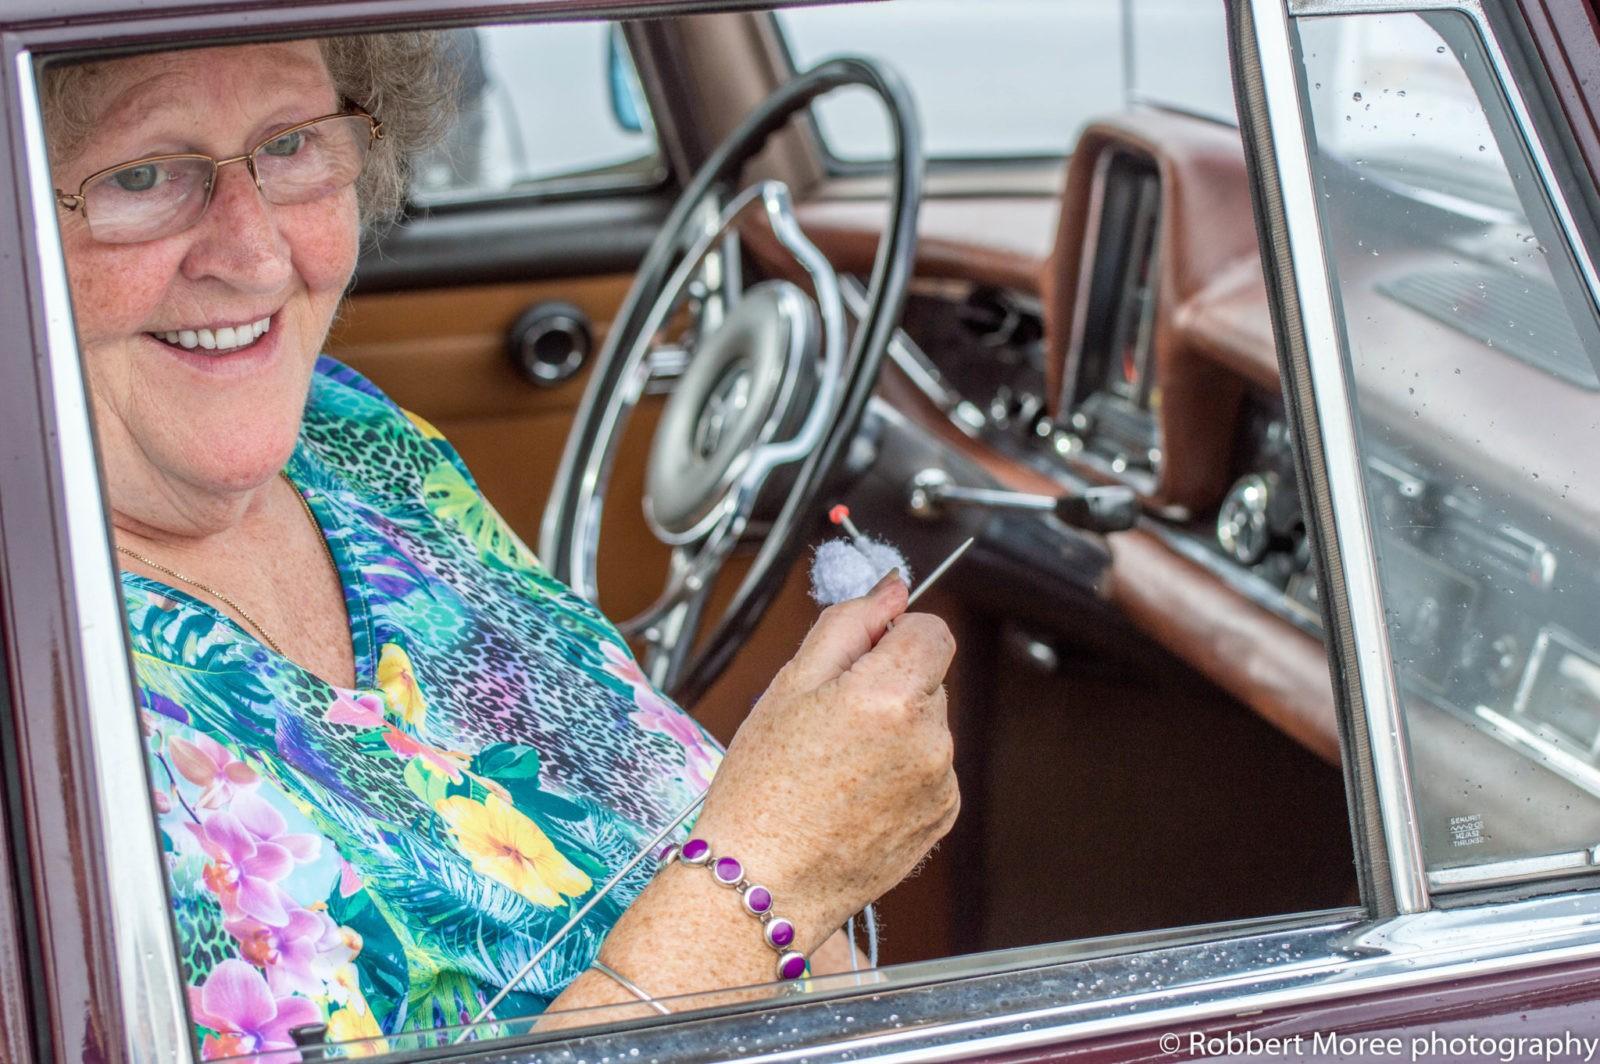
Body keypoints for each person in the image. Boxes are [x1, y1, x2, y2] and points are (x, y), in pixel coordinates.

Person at [44, 31, 958, 1058]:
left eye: (292, 145)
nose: (257, 253)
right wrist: (767, 878)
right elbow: (750, 875)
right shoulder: (51, 697)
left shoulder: (350, 437)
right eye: (142, 176)